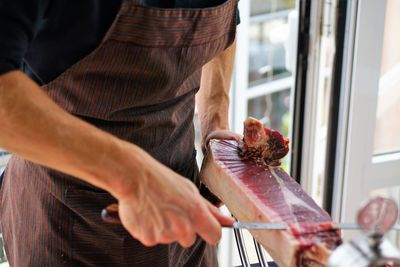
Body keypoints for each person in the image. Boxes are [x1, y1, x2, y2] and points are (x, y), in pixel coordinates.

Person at [0, 0, 242, 266]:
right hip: (66, 221)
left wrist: (215, 119)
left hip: (182, 208)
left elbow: (224, 20)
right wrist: (135, 176)